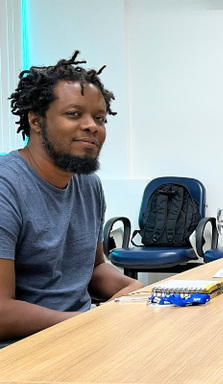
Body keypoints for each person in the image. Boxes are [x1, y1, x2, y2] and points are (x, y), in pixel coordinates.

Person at [0, 51, 143, 345]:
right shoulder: (7, 187)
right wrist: (91, 322)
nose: (92, 126)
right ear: (36, 120)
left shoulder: (88, 184)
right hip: (22, 353)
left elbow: (92, 269)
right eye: (74, 114)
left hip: (80, 337)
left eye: (99, 118)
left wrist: (135, 288)